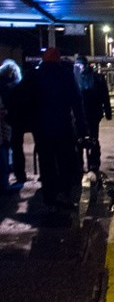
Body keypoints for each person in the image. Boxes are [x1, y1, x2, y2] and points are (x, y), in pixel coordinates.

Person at [18, 48, 88, 211]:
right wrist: (83, 129)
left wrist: (24, 121)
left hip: (42, 129)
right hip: (63, 127)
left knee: (46, 163)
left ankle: (49, 196)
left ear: (43, 59)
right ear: (58, 60)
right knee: (65, 161)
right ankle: (64, 192)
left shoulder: (34, 75)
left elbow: (19, 97)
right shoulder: (66, 75)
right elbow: (77, 103)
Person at [74, 55, 112, 176]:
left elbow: (104, 96)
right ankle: (87, 165)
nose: (78, 68)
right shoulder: (97, 78)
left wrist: (107, 111)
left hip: (86, 114)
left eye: (79, 65)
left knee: (86, 140)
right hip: (87, 114)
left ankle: (86, 165)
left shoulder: (75, 79)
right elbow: (104, 96)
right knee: (86, 140)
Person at [0, 59, 25, 191]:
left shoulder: (2, 85)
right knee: (14, 148)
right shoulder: (18, 85)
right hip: (16, 120)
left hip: (7, 119)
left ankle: (12, 175)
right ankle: (18, 175)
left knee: (9, 148)